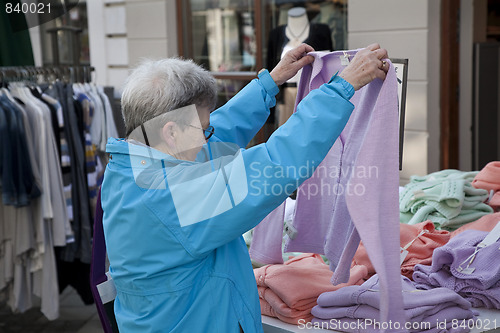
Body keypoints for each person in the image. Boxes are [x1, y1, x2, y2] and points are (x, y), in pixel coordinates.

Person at [100, 43, 389, 332]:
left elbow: (215, 138)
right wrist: (341, 89)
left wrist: (269, 83)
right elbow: (276, 164)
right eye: (202, 128)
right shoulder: (172, 195)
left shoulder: (133, 163)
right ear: (171, 132)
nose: (206, 138)